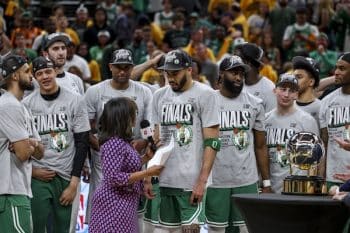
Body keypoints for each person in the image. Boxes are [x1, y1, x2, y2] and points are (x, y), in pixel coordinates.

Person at [147, 49, 220, 232]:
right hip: (164, 180)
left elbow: (212, 142)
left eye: (175, 73)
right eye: (167, 73)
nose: (170, 78)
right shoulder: (159, 96)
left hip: (191, 183)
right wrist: (148, 177)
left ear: (189, 70)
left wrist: (202, 181)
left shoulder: (206, 94)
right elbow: (155, 142)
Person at [84, 49, 153, 226]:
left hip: (134, 155)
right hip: (105, 156)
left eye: (127, 67)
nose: (122, 71)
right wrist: (104, 146)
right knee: (112, 205)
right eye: (118, 67)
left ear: (132, 67)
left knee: (132, 211)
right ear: (110, 67)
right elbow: (85, 128)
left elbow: (148, 125)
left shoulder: (144, 92)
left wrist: (144, 142)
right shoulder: (95, 91)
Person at [22, 56, 91, 233]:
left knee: (64, 229)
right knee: (36, 228)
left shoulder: (75, 100)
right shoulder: (26, 105)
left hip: (66, 176)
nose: (45, 76)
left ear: (56, 72)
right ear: (35, 77)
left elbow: (82, 142)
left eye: (48, 71)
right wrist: (32, 172)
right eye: (39, 73)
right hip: (39, 176)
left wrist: (74, 183)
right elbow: (20, 146)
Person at [206, 55, 271, 233]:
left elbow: (260, 146)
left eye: (241, 74)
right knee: (216, 230)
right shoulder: (206, 101)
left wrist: (266, 182)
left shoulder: (255, 104)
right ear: (221, 74)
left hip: (246, 180)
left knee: (245, 229)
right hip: (215, 181)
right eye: (234, 72)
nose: (238, 77)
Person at [89, 97, 163, 233]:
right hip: (113, 204)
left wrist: (146, 158)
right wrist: (147, 173)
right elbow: (114, 178)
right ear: (123, 117)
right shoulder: (114, 143)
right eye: (133, 113)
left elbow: (127, 167)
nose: (136, 116)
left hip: (124, 201)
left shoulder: (122, 142)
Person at [0, 55, 44, 233]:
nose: (31, 75)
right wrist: (29, 145)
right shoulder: (9, 106)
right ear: (15, 76)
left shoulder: (22, 107)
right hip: (10, 192)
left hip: (18, 190)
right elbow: (24, 153)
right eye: (27, 71)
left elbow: (41, 152)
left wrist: (29, 143)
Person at [265, 73, 319, 193]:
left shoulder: (307, 120)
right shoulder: (265, 120)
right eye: (283, 89)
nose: (286, 94)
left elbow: (317, 157)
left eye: (292, 90)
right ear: (275, 90)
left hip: (299, 188)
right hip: (273, 187)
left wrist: (314, 185)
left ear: (297, 94)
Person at [319, 52, 350, 189]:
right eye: (336, 68)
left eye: (342, 69)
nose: (336, 72)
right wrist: (322, 176)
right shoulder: (326, 101)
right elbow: (324, 143)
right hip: (334, 176)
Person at [235, 42, 276, 113]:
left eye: (237, 59)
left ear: (247, 62)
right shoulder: (236, 84)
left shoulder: (269, 88)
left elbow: (272, 120)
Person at [293, 56, 321, 126]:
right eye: (293, 77)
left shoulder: (322, 107)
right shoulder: (287, 106)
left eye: (299, 77)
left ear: (311, 82)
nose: (294, 81)